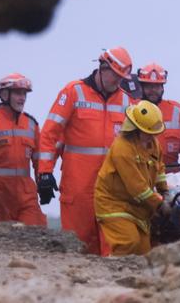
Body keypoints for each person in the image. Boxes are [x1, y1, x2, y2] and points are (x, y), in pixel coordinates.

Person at [38, 47, 133, 254]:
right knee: (78, 246)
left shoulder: (127, 102)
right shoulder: (74, 92)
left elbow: (134, 147)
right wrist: (44, 172)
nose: (118, 81)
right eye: (115, 76)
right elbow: (49, 134)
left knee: (113, 249)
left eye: (122, 78)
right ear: (102, 67)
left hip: (113, 188)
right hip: (78, 187)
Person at [0, 73, 47, 226]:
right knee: (3, 243)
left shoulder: (32, 124)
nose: (22, 98)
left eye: (25, 93)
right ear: (5, 95)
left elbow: (40, 160)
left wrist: (44, 181)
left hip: (26, 196)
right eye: (18, 93)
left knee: (36, 235)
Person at [94, 100, 171, 256]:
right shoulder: (122, 148)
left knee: (143, 253)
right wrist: (160, 204)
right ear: (136, 128)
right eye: (148, 133)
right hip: (113, 203)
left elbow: (159, 168)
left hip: (138, 207)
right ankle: (111, 275)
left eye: (154, 134)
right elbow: (137, 188)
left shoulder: (153, 144)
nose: (152, 137)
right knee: (128, 242)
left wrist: (164, 190)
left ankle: (134, 279)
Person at [136, 62, 180, 172]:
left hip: (172, 178)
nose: (153, 90)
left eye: (157, 86)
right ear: (142, 87)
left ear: (162, 87)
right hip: (141, 175)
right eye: (149, 86)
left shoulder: (176, 110)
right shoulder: (132, 109)